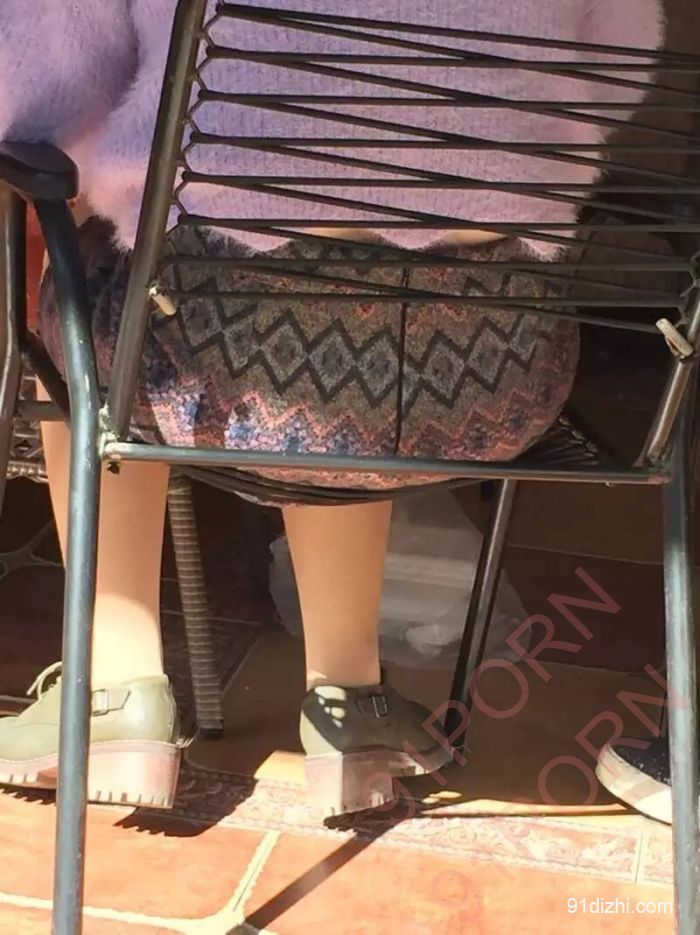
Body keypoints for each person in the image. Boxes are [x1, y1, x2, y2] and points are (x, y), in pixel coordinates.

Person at [0, 0, 663, 816]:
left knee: (86, 283)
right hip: (492, 373)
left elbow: (37, 97)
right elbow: (615, 70)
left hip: (215, 357)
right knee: (361, 278)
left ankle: (115, 684)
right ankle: (350, 696)